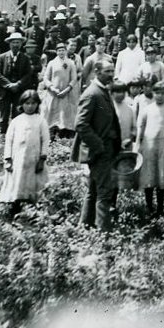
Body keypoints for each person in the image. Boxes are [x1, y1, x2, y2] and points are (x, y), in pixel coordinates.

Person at [72, 59, 122, 231]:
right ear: (96, 71)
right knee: (104, 192)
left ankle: (85, 225)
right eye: (107, 71)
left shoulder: (103, 91)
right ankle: (103, 233)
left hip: (105, 148)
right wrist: (99, 145)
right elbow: (80, 125)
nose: (111, 74)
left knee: (93, 189)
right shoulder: (92, 93)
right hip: (99, 150)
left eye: (112, 71)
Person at [0, 90, 50, 218]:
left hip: (34, 159)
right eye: (27, 103)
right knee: (17, 182)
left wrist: (42, 159)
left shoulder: (41, 121)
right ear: (22, 104)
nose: (30, 106)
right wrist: (8, 159)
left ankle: (33, 210)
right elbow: (9, 141)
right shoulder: (16, 121)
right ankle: (14, 208)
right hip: (18, 159)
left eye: (33, 103)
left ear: (37, 104)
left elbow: (45, 141)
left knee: (34, 184)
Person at [136, 81, 164, 217]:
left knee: (161, 175)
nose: (159, 96)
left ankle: (161, 208)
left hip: (163, 145)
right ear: (153, 93)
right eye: (157, 93)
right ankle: (149, 206)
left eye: (162, 93)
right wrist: (138, 144)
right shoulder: (147, 109)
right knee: (149, 176)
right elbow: (140, 127)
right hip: (149, 145)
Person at [0, 33, 35, 135]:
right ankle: (3, 134)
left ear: (21, 44)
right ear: (9, 44)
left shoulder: (25, 58)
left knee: (17, 113)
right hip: (5, 90)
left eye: (18, 42)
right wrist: (9, 85)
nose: (15, 45)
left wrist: (18, 84)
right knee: (4, 114)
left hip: (19, 90)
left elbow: (28, 74)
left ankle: (15, 133)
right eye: (13, 42)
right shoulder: (2, 57)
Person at [41, 43, 79, 140]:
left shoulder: (71, 63)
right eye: (59, 50)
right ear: (56, 52)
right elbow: (46, 78)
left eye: (63, 50)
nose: (61, 52)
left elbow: (74, 79)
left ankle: (64, 134)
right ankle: (50, 135)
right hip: (53, 93)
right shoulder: (51, 63)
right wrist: (52, 88)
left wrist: (67, 90)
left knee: (64, 113)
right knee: (51, 113)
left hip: (66, 93)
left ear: (66, 51)